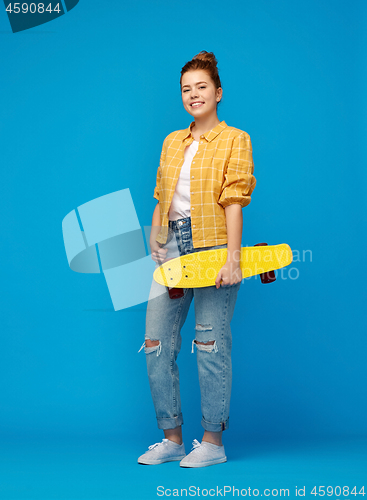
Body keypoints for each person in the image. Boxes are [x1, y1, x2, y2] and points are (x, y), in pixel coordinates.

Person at [138, 51, 256, 467]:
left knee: (208, 343)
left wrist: (233, 258)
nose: (193, 94)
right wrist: (157, 240)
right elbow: (161, 198)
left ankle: (212, 443)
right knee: (156, 343)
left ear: (218, 92)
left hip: (213, 248)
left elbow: (234, 201)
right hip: (172, 250)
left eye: (201, 87)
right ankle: (171, 439)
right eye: (186, 89)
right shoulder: (172, 141)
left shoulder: (234, 139)